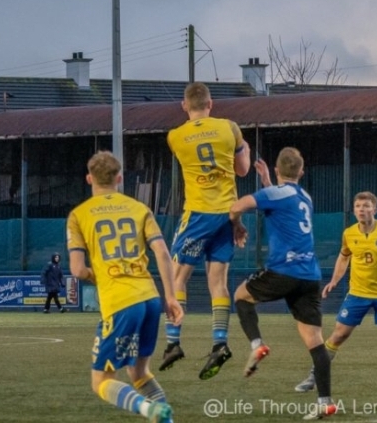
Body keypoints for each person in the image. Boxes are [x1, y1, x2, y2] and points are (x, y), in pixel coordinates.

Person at [67, 151, 182, 423]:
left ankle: (148, 410)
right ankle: (164, 416)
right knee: (139, 372)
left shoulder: (78, 215)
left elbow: (77, 270)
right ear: (119, 178)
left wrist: (104, 275)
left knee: (101, 381)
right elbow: (163, 253)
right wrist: (172, 298)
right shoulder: (139, 209)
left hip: (120, 303)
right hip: (150, 299)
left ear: (88, 178)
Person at [230, 148, 337, 420]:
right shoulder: (305, 196)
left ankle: (256, 345)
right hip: (309, 276)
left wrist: (237, 225)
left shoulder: (276, 193)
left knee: (241, 297)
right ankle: (325, 402)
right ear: (302, 172)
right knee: (315, 342)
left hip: (283, 270)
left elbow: (236, 206)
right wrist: (267, 181)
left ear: (278, 170)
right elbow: (280, 199)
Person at [160, 82, 251, 379]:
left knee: (177, 279)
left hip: (199, 214)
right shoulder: (230, 128)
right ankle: (219, 343)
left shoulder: (175, 136)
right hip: (227, 214)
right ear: (211, 104)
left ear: (184, 106)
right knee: (218, 283)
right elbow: (242, 170)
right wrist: (245, 148)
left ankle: (173, 342)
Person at [295, 191, 377, 394]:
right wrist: (334, 280)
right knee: (338, 335)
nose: (362, 209)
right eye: (358, 206)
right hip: (358, 293)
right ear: (354, 211)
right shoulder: (349, 233)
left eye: (366, 206)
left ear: (375, 209)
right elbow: (344, 257)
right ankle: (313, 377)